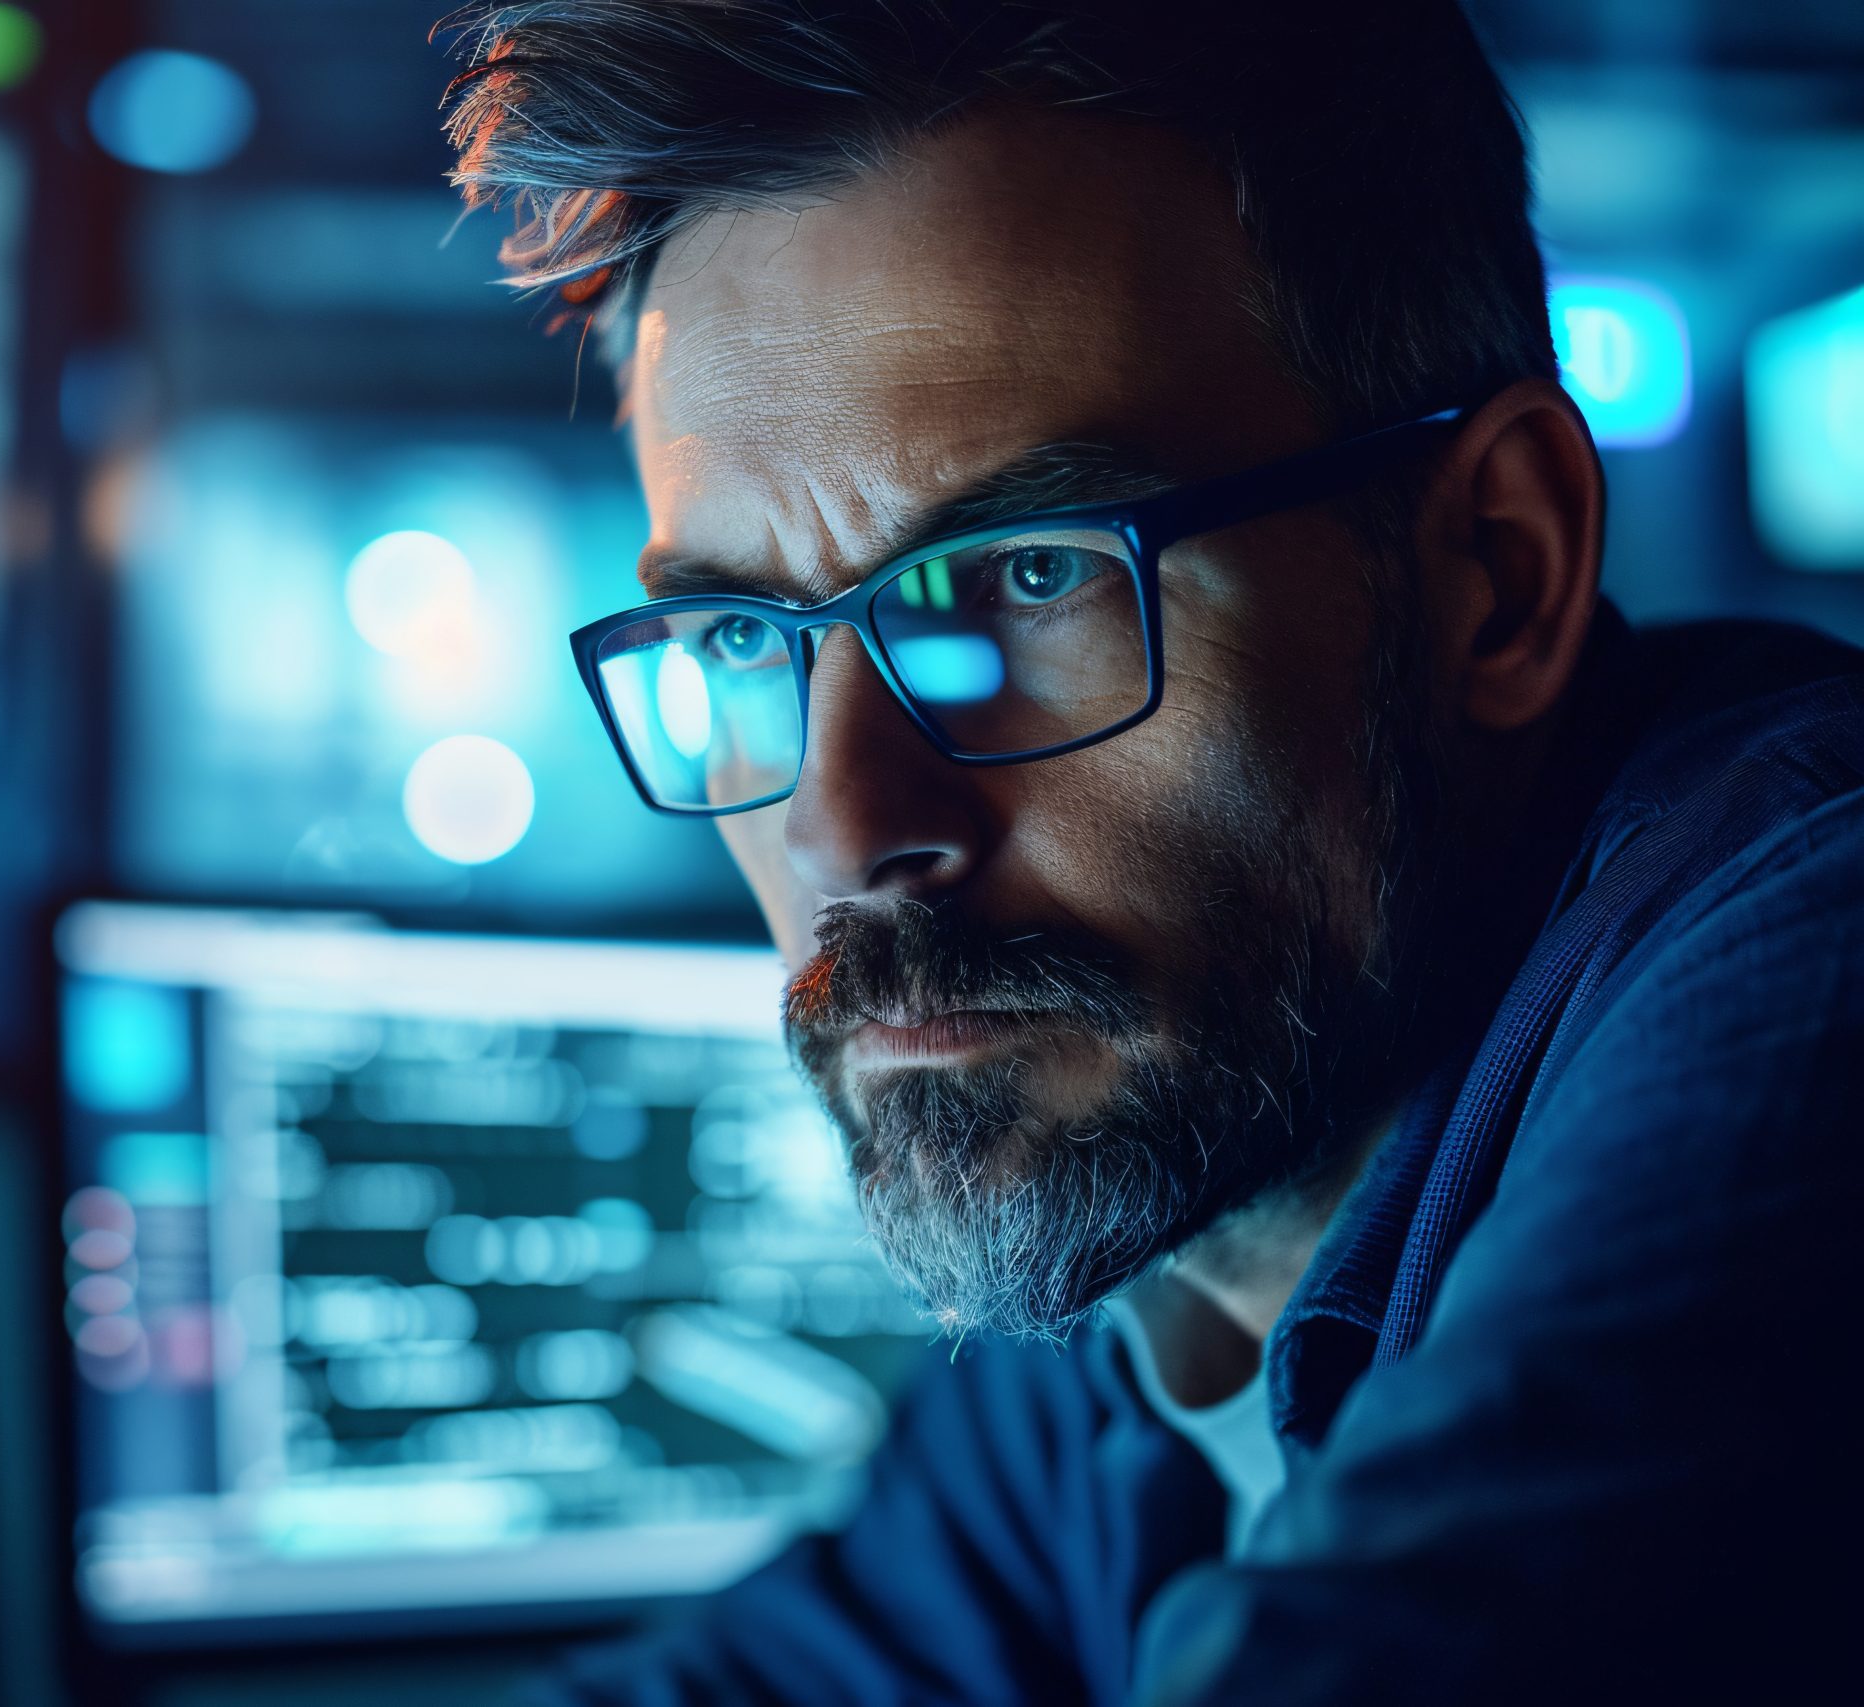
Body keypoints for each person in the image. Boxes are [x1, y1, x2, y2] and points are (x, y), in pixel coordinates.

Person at [438, 2, 1864, 1701]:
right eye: (743, 642)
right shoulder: (1168, 1234)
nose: (843, 825)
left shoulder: (1810, 954)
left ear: (1501, 567)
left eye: (1030, 580)